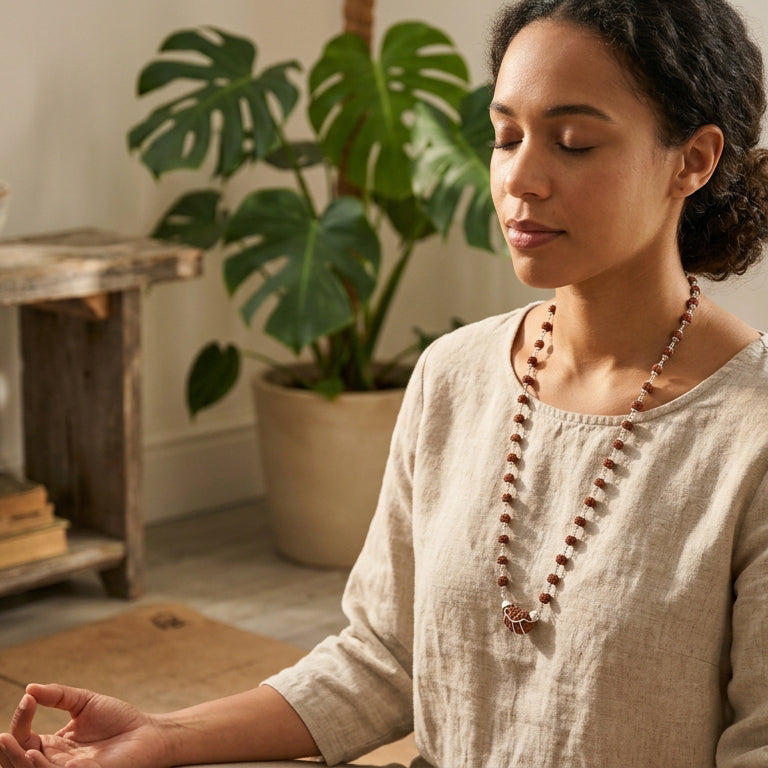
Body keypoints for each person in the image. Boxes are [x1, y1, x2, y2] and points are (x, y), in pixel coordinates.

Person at [3, 0, 768, 765]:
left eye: (573, 142)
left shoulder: (749, 435)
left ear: (692, 161)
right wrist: (163, 736)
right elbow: (384, 658)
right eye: (504, 137)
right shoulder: (455, 375)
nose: (519, 179)